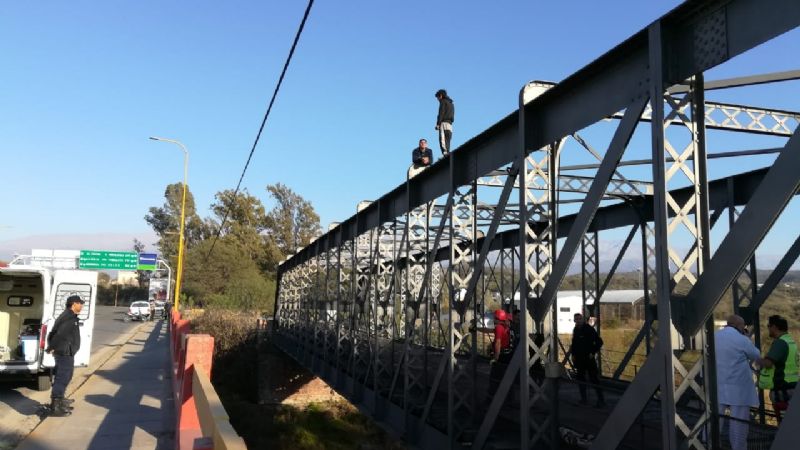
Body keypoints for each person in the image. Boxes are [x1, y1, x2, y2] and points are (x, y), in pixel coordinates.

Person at [715, 314, 763, 450]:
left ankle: (707, 443)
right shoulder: (742, 339)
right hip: (739, 387)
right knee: (739, 423)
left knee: (714, 419)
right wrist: (748, 338)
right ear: (738, 326)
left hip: (718, 384)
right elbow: (756, 355)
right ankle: (738, 448)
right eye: (743, 326)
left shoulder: (714, 336)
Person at [46, 295, 84, 417]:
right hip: (64, 352)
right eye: (80, 303)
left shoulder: (68, 315)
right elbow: (59, 334)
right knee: (62, 377)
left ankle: (61, 400)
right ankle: (56, 406)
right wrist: (51, 347)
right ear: (74, 304)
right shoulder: (69, 317)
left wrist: (52, 345)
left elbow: (53, 332)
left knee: (66, 376)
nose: (81, 306)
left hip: (65, 351)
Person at [759, 315, 798, 422]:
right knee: (793, 423)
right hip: (792, 387)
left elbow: (768, 363)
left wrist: (757, 360)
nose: (768, 329)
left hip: (782, 390)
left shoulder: (780, 343)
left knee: (784, 425)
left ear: (774, 327)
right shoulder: (790, 341)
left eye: (769, 326)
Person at [570, 313, 605, 407]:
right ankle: (584, 399)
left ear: (583, 319)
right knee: (581, 379)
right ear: (574, 320)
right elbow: (574, 344)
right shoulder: (576, 329)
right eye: (576, 319)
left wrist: (592, 352)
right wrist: (573, 355)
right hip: (579, 359)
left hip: (588, 359)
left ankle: (601, 401)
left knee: (594, 379)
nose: (578, 320)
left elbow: (599, 342)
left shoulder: (588, 329)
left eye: (580, 319)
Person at [435, 89, 454, 155]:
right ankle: (447, 152)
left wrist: (438, 124)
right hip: (450, 124)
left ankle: (445, 154)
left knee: (442, 139)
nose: (437, 99)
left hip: (443, 123)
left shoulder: (443, 102)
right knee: (448, 140)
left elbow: (441, 113)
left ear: (440, 96)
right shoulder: (451, 103)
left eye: (437, 97)